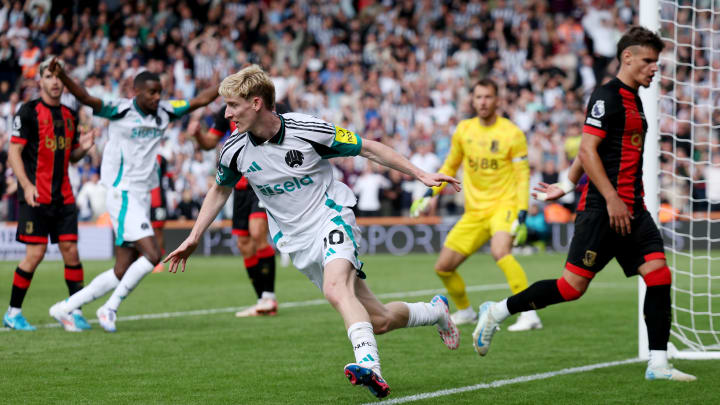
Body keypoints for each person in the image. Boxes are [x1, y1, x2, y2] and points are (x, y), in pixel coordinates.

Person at [165, 65, 462, 399]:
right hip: (297, 241)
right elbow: (220, 190)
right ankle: (436, 311)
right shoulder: (234, 150)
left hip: (331, 216)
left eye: (233, 105)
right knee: (377, 320)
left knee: (336, 289)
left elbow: (367, 147)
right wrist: (193, 236)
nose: (227, 113)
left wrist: (419, 173)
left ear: (257, 103)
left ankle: (370, 367)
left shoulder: (307, 129)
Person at [472, 26, 696, 382]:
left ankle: (658, 364)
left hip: (632, 210)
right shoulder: (607, 95)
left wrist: (564, 183)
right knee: (570, 288)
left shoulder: (635, 98)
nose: (655, 68)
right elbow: (588, 149)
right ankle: (497, 311)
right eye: (649, 60)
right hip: (603, 211)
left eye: (657, 61)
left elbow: (593, 147)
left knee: (659, 275)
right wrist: (607, 198)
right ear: (627, 57)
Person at [46, 58, 219, 332]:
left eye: (159, 92)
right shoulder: (120, 110)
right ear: (136, 92)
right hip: (122, 192)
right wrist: (64, 76)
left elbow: (198, 101)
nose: (157, 97)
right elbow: (87, 98)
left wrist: (229, 84)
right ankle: (109, 308)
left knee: (121, 269)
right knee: (152, 254)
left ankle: (65, 308)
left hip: (140, 196)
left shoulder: (165, 112)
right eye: (151, 92)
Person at [410, 78, 542, 331]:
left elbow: (522, 177)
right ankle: (465, 311)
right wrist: (428, 195)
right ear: (472, 99)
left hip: (504, 206)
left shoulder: (511, 133)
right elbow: (449, 167)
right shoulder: (464, 130)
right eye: (478, 97)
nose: (483, 102)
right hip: (474, 211)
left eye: (488, 97)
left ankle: (529, 314)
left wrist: (522, 214)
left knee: (500, 251)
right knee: (444, 267)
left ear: (497, 100)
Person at [3, 57, 96, 331]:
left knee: (72, 252)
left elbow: (72, 157)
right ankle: (13, 312)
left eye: (59, 76)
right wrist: (27, 185)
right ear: (40, 80)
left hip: (64, 196)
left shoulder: (69, 115)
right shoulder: (28, 112)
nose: (55, 82)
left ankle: (74, 310)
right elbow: (13, 153)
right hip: (36, 195)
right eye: (49, 76)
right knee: (36, 253)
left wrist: (85, 148)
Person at [193, 106, 279, 317]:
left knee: (258, 232)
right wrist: (197, 134)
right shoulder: (227, 112)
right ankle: (262, 300)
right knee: (244, 244)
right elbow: (209, 143)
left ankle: (269, 297)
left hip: (260, 181)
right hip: (238, 188)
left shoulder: (269, 105)